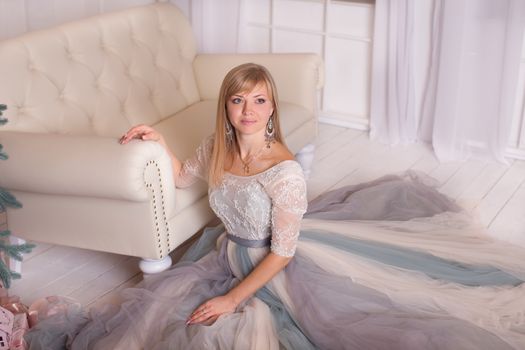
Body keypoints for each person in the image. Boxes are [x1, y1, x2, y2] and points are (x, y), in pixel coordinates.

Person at [26, 63, 525, 349]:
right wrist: (156, 141)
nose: (248, 111)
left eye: (260, 101)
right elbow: (180, 177)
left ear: (272, 108)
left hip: (277, 262)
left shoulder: (284, 172)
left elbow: (282, 254)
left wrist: (233, 298)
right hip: (225, 251)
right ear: (226, 106)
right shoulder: (216, 147)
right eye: (239, 101)